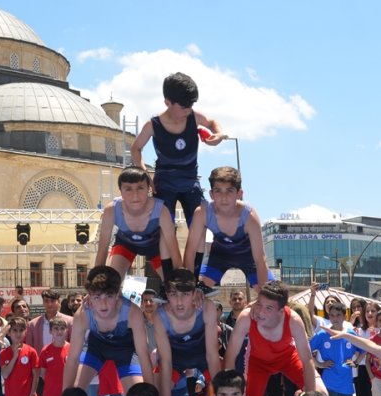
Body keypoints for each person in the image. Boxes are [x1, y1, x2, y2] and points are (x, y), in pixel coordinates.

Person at [130, 72, 225, 229]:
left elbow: (212, 122)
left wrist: (218, 134)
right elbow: (136, 148)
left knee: (199, 224)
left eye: (190, 106)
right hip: (165, 182)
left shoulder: (194, 117)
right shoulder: (153, 125)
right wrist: (144, 174)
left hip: (190, 180)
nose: (188, 111)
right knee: (164, 227)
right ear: (168, 102)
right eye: (183, 107)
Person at [224, 281, 324, 396]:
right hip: (258, 363)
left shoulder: (293, 320)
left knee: (321, 395)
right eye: (259, 304)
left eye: (269, 308)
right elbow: (230, 355)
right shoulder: (246, 317)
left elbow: (307, 359)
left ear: (282, 311)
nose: (260, 312)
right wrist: (230, 392)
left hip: (288, 359)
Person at [63, 266, 153, 394]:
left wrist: (151, 395)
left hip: (126, 350)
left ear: (117, 295)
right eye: (97, 297)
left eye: (109, 296)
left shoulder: (132, 312)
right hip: (96, 348)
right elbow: (72, 357)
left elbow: (143, 355)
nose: (103, 304)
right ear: (89, 296)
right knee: (76, 393)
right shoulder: (83, 314)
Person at [182, 166, 271, 291]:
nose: (224, 197)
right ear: (211, 194)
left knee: (273, 295)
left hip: (248, 258)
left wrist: (265, 295)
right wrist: (189, 289)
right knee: (197, 291)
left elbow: (260, 259)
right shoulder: (202, 212)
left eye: (229, 191)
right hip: (219, 257)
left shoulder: (249, 216)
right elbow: (190, 252)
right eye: (218, 191)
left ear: (239, 194)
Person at [94, 166, 180, 282]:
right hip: (126, 245)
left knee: (172, 283)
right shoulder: (111, 210)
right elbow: (102, 249)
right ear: (120, 191)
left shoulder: (161, 210)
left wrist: (181, 279)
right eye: (128, 189)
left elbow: (174, 250)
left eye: (140, 188)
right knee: (111, 283)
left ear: (148, 189)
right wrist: (95, 281)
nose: (135, 195)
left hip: (155, 247)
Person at [155, 269, 222, 396]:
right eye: (173, 295)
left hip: (203, 356)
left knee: (223, 393)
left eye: (185, 294)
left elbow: (212, 354)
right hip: (175, 360)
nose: (179, 302)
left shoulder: (206, 307)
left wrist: (217, 395)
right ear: (166, 295)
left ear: (194, 294)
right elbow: (166, 362)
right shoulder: (160, 316)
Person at [309, 299, 358, 396]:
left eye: (338, 315)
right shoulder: (322, 334)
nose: (335, 318)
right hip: (329, 382)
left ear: (345, 316)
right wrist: (319, 364)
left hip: (346, 383)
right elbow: (306, 350)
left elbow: (362, 349)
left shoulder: (350, 334)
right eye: (332, 315)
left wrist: (356, 362)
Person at [36, 317, 70, 396]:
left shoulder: (72, 349)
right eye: (56, 328)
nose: (59, 332)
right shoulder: (45, 351)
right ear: (50, 331)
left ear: (66, 330)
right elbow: (43, 374)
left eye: (62, 328)